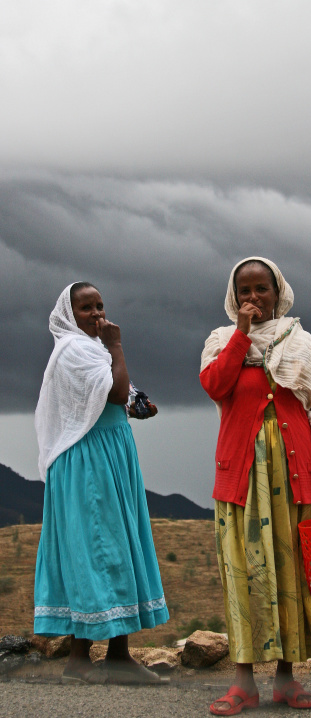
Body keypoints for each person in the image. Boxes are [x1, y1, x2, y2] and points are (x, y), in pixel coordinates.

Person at [200, 257, 311, 714]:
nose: (253, 298)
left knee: (292, 577)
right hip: (242, 478)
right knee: (245, 576)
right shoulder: (222, 341)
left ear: (278, 292)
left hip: (297, 474)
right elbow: (215, 385)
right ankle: (243, 683)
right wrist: (242, 332)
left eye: (261, 289)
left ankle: (286, 679)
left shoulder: (301, 343)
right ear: (233, 297)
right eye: (244, 291)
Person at [34, 282, 169, 684]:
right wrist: (117, 346)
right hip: (88, 461)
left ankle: (109, 656)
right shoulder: (75, 350)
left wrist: (137, 405)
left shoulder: (89, 350)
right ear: (68, 315)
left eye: (100, 305)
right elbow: (115, 392)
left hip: (109, 455)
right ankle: (93, 659)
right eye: (86, 308)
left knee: (115, 546)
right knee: (99, 547)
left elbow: (121, 396)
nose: (97, 314)